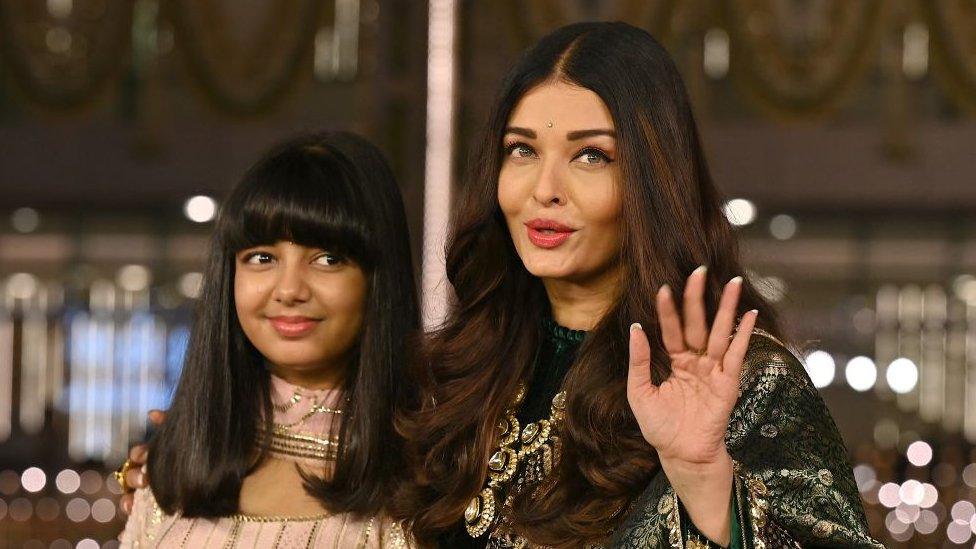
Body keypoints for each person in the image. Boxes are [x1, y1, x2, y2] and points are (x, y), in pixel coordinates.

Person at [391, 22, 883, 548]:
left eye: (591, 156)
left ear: (651, 179)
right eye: (522, 150)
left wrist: (706, 483)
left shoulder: (740, 382)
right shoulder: (457, 373)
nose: (545, 189)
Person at [117, 131, 416, 547]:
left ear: (378, 281)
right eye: (263, 258)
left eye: (328, 259)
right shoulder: (176, 464)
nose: (289, 289)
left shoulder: (430, 473)